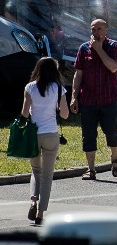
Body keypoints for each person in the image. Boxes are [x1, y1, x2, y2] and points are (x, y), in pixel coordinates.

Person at [71, 19, 117, 181]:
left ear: (106, 30)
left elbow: (113, 67)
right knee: (88, 135)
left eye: (99, 29)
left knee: (111, 131)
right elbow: (78, 74)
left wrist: (99, 50)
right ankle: (91, 169)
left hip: (108, 98)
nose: (95, 32)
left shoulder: (114, 46)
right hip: (88, 99)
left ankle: (114, 158)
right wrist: (74, 97)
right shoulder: (84, 48)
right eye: (93, 29)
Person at [20, 57, 69, 224]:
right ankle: (41, 213)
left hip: (34, 134)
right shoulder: (58, 88)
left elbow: (25, 113)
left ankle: (33, 201)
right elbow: (64, 114)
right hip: (51, 134)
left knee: (35, 170)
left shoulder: (30, 87)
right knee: (47, 175)